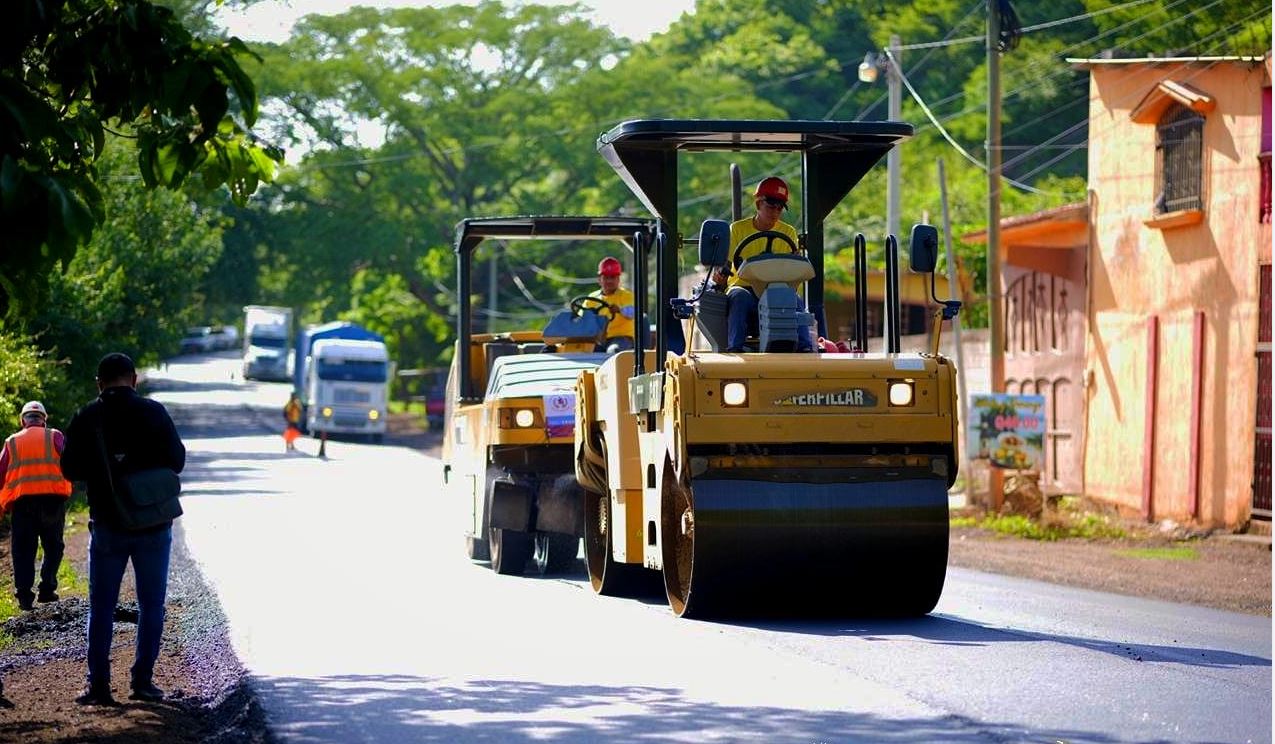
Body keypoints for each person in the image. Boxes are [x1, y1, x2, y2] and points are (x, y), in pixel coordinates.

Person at [60, 353, 186, 706]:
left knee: (101, 607)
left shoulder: (87, 416)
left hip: (108, 525)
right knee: (151, 605)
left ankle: (98, 685)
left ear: (99, 383)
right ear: (133, 379)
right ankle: (142, 681)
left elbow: (68, 469)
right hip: (153, 525)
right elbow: (177, 461)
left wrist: (105, 469)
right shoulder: (154, 412)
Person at [714, 176, 813, 353]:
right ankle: (735, 348)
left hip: (775, 290)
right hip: (745, 288)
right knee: (738, 297)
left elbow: (793, 266)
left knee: (795, 299)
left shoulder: (788, 232)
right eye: (771, 206)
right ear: (759, 204)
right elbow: (727, 264)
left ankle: (805, 347)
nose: (775, 212)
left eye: (779, 207)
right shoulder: (737, 229)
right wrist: (720, 275)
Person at [0, 401, 72, 611]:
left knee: (22, 550)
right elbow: (70, 463)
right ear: (43, 420)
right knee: (54, 546)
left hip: (23, 505)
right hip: (53, 502)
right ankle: (47, 588)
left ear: (23, 421)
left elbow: (0, 473)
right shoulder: (55, 436)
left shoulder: (11, 442)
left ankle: (24, 596)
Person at [589, 256, 636, 352]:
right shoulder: (591, 298)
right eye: (606, 277)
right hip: (597, 340)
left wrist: (620, 310)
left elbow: (632, 313)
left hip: (622, 339)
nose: (609, 281)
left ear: (618, 279)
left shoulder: (626, 296)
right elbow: (581, 318)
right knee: (581, 350)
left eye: (613, 277)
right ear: (599, 279)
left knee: (614, 350)